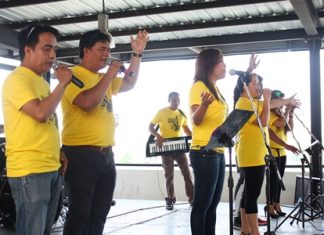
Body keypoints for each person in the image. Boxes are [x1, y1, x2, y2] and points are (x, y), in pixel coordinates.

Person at [61, 29, 149, 235]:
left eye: (108, 50)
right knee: (80, 213)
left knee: (100, 212)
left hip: (106, 154)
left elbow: (129, 83)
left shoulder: (103, 78)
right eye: (101, 49)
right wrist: (110, 73)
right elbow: (87, 103)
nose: (106, 54)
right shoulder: (71, 76)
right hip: (81, 154)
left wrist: (137, 54)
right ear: (86, 50)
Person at [2, 24, 72, 235]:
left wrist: (57, 151)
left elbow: (50, 120)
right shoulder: (17, 79)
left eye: (55, 49)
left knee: (43, 231)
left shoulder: (41, 82)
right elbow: (41, 113)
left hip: (50, 167)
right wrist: (63, 84)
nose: (52, 55)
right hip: (30, 170)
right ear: (28, 50)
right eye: (46, 48)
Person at [188, 49, 259, 235]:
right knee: (201, 205)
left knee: (212, 205)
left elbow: (237, 94)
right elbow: (195, 120)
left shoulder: (216, 89)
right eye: (222, 62)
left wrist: (248, 70)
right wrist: (203, 106)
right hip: (203, 151)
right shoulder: (199, 87)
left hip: (217, 150)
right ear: (210, 64)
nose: (225, 65)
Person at [233, 73, 300, 235]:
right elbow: (263, 121)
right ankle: (254, 232)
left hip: (255, 154)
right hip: (251, 155)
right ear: (244, 86)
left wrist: (287, 102)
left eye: (259, 83)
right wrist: (268, 100)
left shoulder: (252, 102)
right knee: (252, 195)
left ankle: (245, 229)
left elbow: (270, 105)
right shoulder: (244, 103)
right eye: (255, 83)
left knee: (249, 193)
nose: (259, 86)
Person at [148, 91, 194, 210]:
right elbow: (150, 127)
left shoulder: (182, 114)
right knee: (169, 175)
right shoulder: (162, 112)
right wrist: (158, 136)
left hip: (179, 147)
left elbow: (186, 130)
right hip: (166, 148)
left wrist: (195, 137)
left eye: (178, 100)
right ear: (169, 100)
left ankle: (192, 198)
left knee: (187, 174)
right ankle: (170, 200)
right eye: (174, 100)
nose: (176, 102)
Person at [267, 90, 299, 218]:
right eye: (278, 101)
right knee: (272, 181)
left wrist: (290, 113)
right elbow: (280, 124)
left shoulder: (280, 113)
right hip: (272, 151)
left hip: (282, 152)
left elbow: (289, 128)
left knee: (279, 181)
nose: (281, 104)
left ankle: (277, 204)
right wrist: (286, 111)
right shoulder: (269, 113)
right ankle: (269, 205)